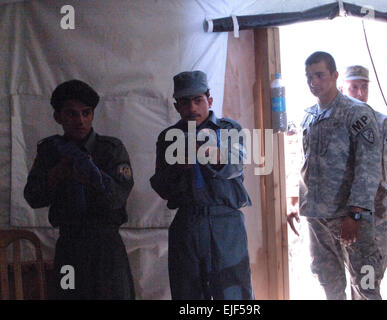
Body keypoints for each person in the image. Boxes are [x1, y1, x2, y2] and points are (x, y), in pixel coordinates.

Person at [24, 79, 135, 299]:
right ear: (58, 117)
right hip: (70, 247)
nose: (80, 121)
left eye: (86, 113)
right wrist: (54, 176)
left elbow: (118, 198)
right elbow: (33, 197)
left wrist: (95, 177)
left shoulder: (110, 150)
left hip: (106, 247)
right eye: (71, 114)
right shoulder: (51, 151)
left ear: (93, 114)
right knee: (68, 295)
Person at [150, 70, 253, 300]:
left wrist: (209, 153)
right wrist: (180, 167)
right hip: (187, 223)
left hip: (225, 223)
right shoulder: (168, 138)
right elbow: (161, 187)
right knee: (188, 294)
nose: (192, 108)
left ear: (210, 100)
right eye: (185, 102)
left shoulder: (229, 129)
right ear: (177, 106)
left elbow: (236, 165)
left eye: (198, 100)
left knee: (233, 293)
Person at [287, 51, 383, 300]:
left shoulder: (357, 113)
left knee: (366, 282)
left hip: (349, 217)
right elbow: (305, 163)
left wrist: (356, 213)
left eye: (319, 75)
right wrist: (295, 200)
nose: (313, 82)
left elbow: (368, 167)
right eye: (309, 77)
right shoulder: (309, 116)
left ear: (334, 75)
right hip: (317, 217)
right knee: (328, 282)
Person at [343, 65, 387, 298]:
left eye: (364, 87)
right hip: (339, 218)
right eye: (354, 87)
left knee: (369, 279)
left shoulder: (383, 124)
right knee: (343, 282)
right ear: (343, 88)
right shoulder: (333, 123)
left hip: (375, 218)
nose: (360, 93)